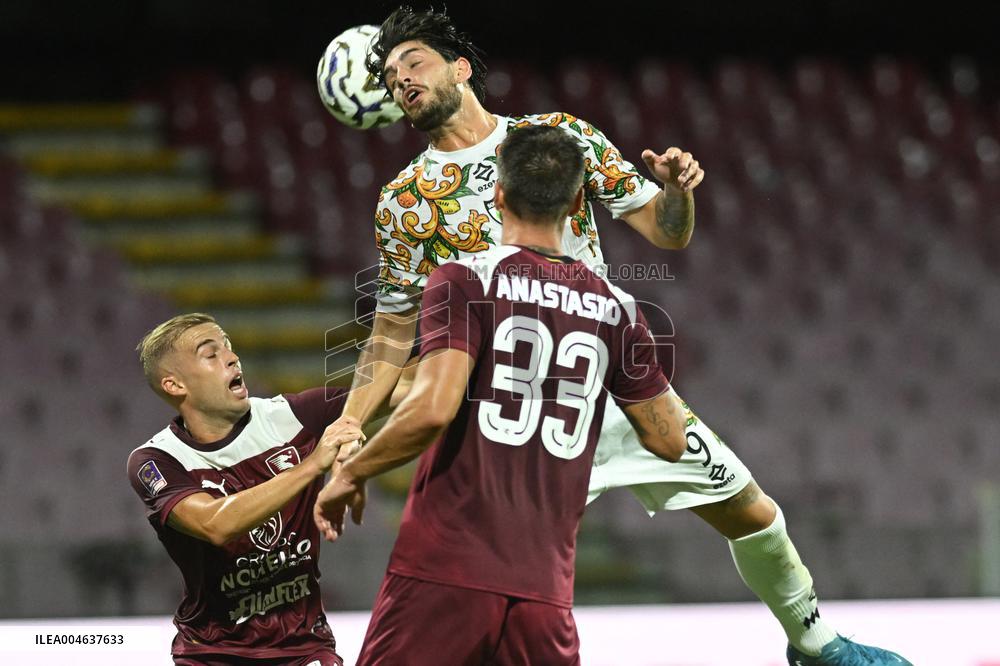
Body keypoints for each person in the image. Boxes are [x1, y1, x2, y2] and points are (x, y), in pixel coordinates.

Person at [321, 7, 912, 665]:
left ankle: (815, 641)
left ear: (460, 67)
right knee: (482, 579)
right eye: (390, 75)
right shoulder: (405, 201)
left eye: (413, 62)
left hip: (600, 388)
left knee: (751, 509)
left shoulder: (558, 137)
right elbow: (392, 326)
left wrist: (678, 192)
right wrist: (351, 421)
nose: (400, 79)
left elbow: (666, 230)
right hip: (504, 414)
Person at [317, 125, 688, 665]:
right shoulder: (618, 308)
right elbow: (670, 440)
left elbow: (432, 409)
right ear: (579, 200)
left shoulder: (465, 277)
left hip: (446, 571)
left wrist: (351, 473)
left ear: (497, 195)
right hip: (545, 588)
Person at [126, 313, 378, 665]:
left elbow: (406, 387)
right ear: (175, 385)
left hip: (303, 649)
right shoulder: (156, 460)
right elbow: (214, 525)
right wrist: (314, 464)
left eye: (228, 347)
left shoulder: (292, 416)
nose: (231, 357)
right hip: (212, 654)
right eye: (210, 354)